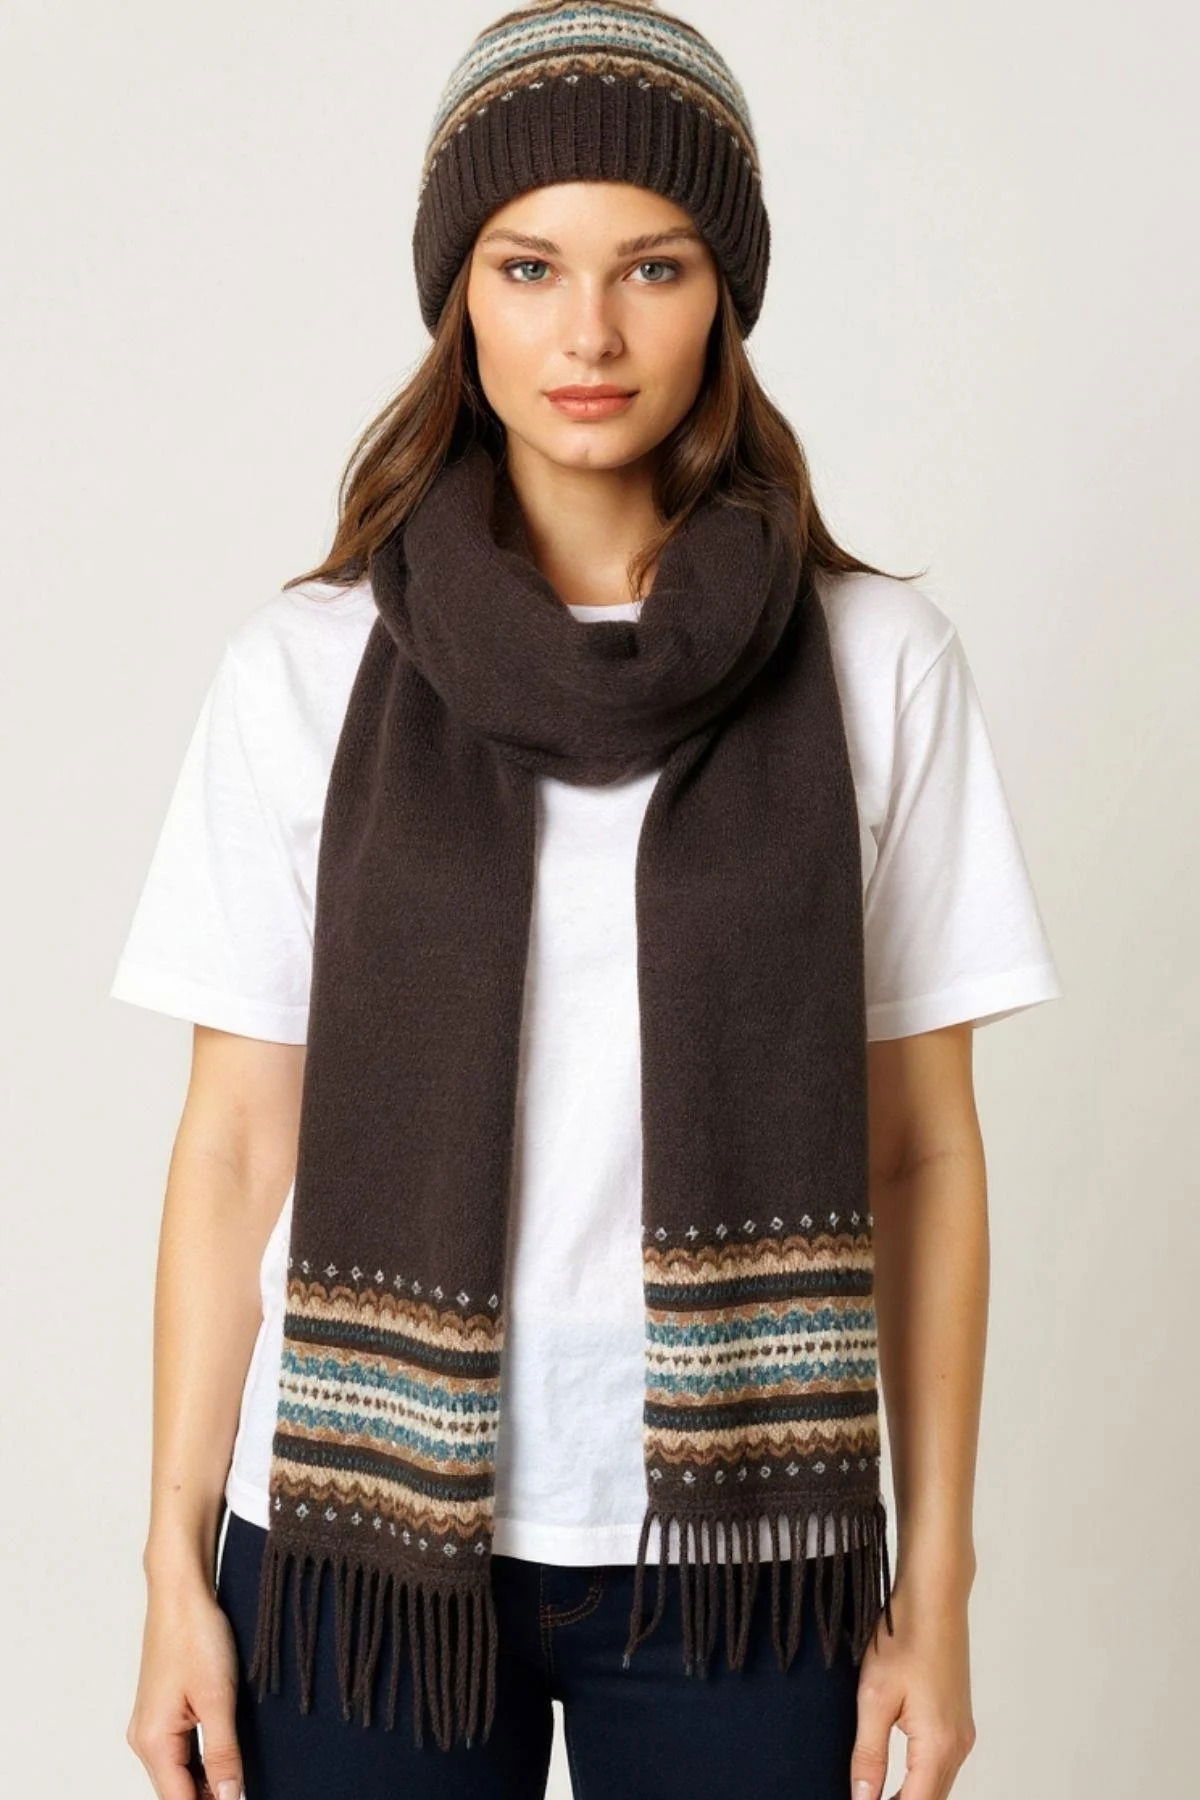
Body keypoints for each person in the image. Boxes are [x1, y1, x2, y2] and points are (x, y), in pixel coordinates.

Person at [109, 3, 1063, 1797]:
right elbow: (233, 1143)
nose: (592, 334)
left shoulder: (876, 664)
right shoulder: (307, 670)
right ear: (458, 294)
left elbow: (925, 1149)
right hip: (357, 1539)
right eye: (530, 265)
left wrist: (936, 1583)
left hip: (744, 1557)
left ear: (727, 295)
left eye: (656, 266)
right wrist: (171, 1563)